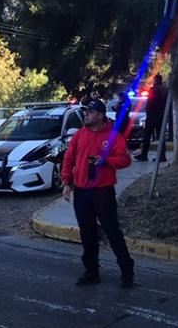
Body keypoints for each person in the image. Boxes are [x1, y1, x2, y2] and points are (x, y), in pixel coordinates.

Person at [61, 99, 135, 288]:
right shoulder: (80, 135)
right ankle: (91, 271)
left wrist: (106, 160)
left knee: (112, 230)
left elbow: (125, 160)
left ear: (100, 115)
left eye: (90, 112)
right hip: (82, 190)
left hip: (103, 191)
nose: (86, 115)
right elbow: (69, 158)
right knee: (87, 232)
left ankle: (127, 271)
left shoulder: (113, 136)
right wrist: (66, 182)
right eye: (86, 112)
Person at [134, 74, 167, 162]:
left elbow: (150, 103)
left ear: (155, 80)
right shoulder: (164, 89)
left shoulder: (154, 89)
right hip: (161, 116)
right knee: (161, 137)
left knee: (147, 136)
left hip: (152, 116)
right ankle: (162, 156)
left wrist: (148, 111)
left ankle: (144, 155)